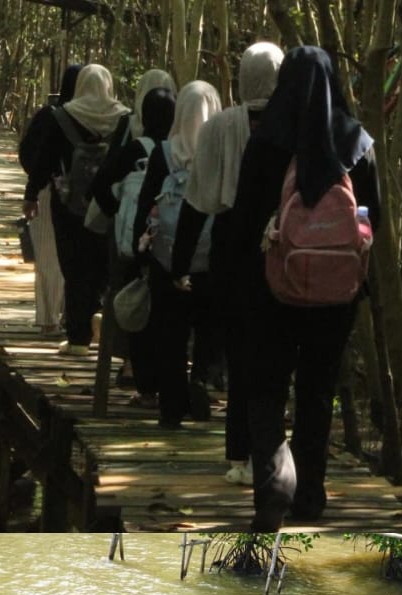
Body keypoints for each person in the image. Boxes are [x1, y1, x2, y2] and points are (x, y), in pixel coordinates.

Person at [231, 46, 380, 530]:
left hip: (269, 288)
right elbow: (371, 221)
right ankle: (311, 496)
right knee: (317, 390)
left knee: (267, 387)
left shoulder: (268, 139)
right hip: (337, 295)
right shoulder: (357, 144)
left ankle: (274, 488)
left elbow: (242, 221)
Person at [172, 42, 285, 480]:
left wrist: (180, 262)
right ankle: (267, 452)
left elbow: (196, 201)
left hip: (229, 247)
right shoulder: (291, 126)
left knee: (240, 353)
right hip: (278, 246)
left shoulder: (219, 127)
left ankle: (239, 455)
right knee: (272, 353)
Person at [22, 64, 130, 353]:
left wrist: (31, 196)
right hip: (108, 204)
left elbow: (44, 159)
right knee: (102, 264)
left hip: (68, 204)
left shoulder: (63, 116)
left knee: (74, 266)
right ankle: (102, 325)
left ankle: (79, 337)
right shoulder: (123, 118)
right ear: (108, 85)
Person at [134, 80, 223, 428]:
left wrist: (139, 252)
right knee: (209, 328)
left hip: (167, 258)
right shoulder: (221, 152)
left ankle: (171, 406)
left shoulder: (165, 153)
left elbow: (145, 203)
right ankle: (201, 379)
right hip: (211, 261)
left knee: (169, 333)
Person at [88, 79, 176, 401]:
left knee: (138, 310)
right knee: (167, 315)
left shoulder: (135, 149)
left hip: (134, 243)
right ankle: (169, 384)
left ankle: (144, 385)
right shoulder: (181, 149)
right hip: (172, 247)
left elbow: (98, 186)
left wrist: (115, 215)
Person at [18, 65, 81, 333]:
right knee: (75, 256)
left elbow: (26, 151)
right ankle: (73, 317)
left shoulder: (49, 115)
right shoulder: (94, 117)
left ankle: (48, 320)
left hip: (45, 190)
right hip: (81, 196)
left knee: (47, 257)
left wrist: (35, 184)